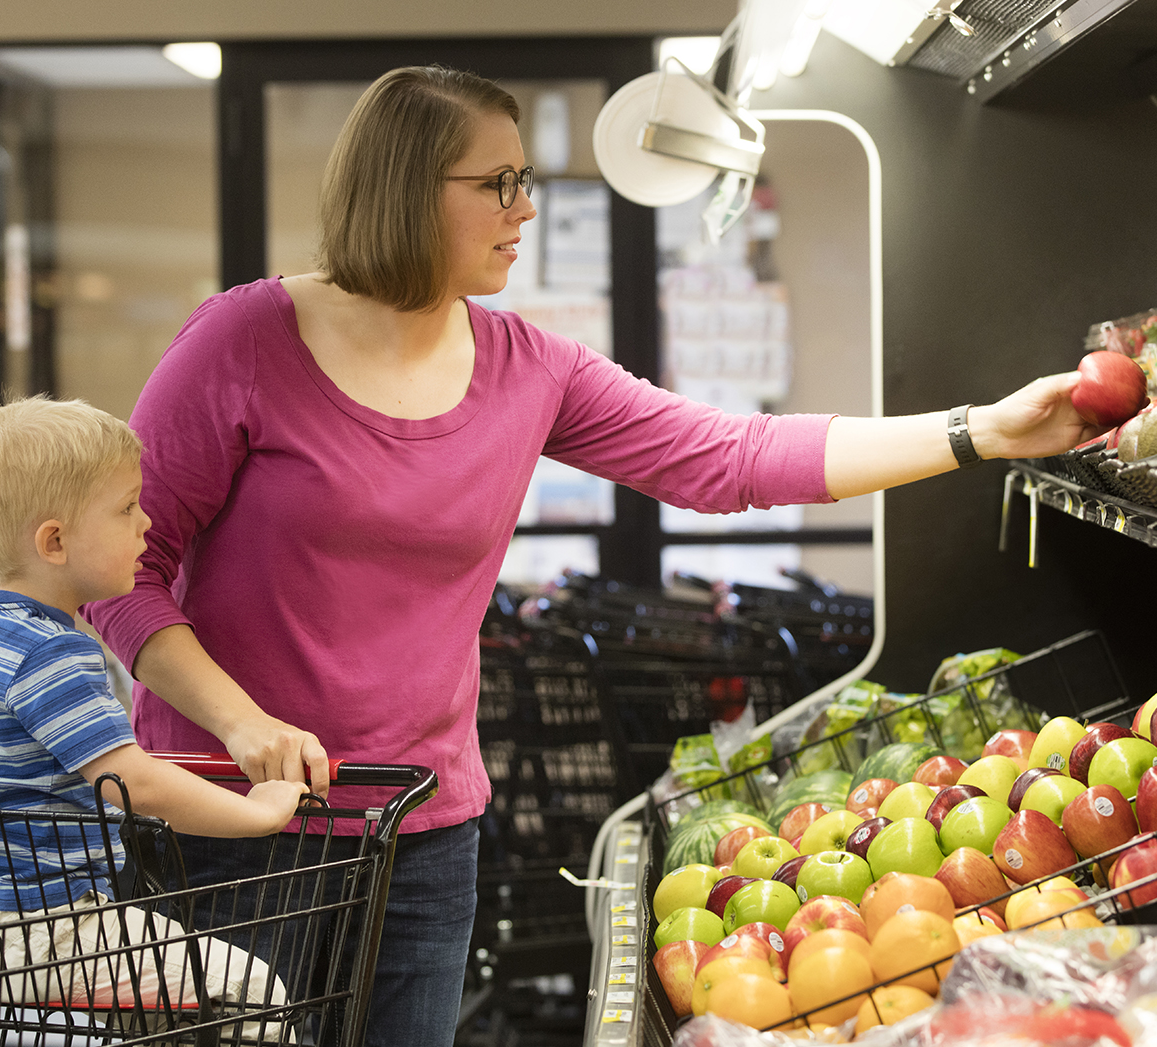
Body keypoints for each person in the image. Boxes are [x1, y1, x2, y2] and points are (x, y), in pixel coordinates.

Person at [83, 66, 1101, 1047]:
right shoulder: (244, 342)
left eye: (526, 180)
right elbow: (119, 575)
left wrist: (979, 433)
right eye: (499, 183)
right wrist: (241, 722)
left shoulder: (526, 367)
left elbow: (730, 457)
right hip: (233, 820)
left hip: (420, 824)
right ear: (403, 191)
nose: (525, 207)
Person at [0, 396, 309, 1029]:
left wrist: (3, 789)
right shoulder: (54, 652)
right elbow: (134, 780)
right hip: (50, 929)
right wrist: (256, 814)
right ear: (54, 541)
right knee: (250, 987)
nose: (146, 524)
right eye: (126, 508)